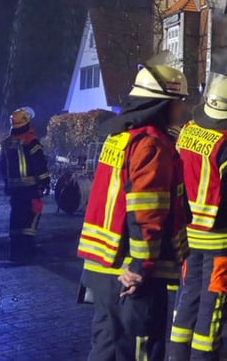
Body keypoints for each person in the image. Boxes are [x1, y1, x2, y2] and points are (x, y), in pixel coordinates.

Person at [77, 64, 190, 361]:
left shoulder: (120, 136)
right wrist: (140, 268)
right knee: (139, 350)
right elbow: (146, 212)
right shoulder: (151, 145)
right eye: (179, 101)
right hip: (132, 273)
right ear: (161, 104)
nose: (183, 108)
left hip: (105, 265)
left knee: (106, 347)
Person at [170, 75, 227, 360]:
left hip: (188, 235)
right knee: (213, 304)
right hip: (219, 240)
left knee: (188, 296)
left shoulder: (187, 131)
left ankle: (177, 354)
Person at [0, 106, 50, 262]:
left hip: (14, 190)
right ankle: (27, 251)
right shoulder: (32, 143)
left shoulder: (6, 144)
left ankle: (15, 251)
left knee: (16, 218)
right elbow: (39, 165)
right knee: (31, 217)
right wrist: (45, 182)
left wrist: (7, 184)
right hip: (31, 188)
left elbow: (2, 167)